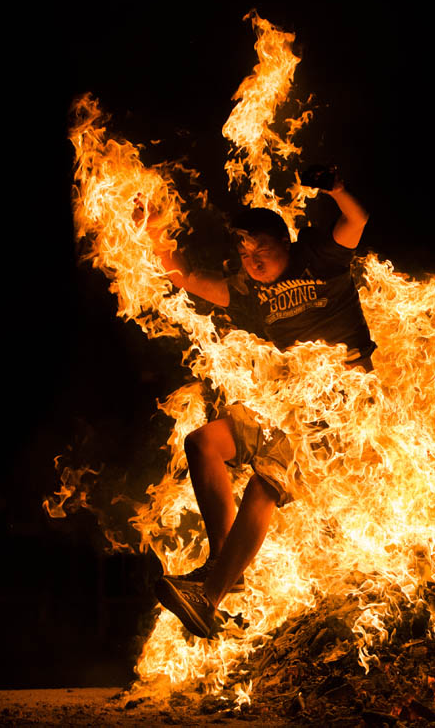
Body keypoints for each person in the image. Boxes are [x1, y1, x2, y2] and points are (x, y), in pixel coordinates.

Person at [149, 172, 373, 638]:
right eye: (245, 255)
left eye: (262, 250)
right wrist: (152, 231)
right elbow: (185, 277)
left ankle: (209, 596)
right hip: (286, 403)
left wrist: (336, 189)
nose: (253, 261)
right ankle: (225, 566)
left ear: (284, 244)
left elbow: (357, 219)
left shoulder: (320, 258)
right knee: (203, 443)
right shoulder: (248, 290)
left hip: (340, 403)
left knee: (266, 481)